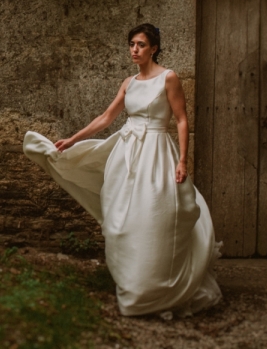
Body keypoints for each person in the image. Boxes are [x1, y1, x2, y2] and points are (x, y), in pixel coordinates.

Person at [23, 23, 222, 317]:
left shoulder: (169, 78)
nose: (135, 50)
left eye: (141, 45)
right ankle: (132, 286)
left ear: (153, 48)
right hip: (127, 154)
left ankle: (159, 289)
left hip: (156, 153)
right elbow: (106, 117)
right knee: (121, 222)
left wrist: (182, 160)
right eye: (131, 44)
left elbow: (181, 120)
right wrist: (73, 139)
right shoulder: (128, 83)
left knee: (155, 218)